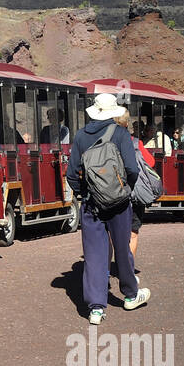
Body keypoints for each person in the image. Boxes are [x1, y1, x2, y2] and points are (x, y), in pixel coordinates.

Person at [66, 93, 150, 325]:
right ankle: (131, 295)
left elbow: (71, 174)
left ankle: (95, 308)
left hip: (92, 204)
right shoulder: (121, 134)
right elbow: (132, 169)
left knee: (94, 255)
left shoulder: (81, 136)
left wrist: (86, 192)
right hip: (119, 204)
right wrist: (123, 191)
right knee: (122, 248)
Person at [115, 111, 155, 262]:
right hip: (133, 193)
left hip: (112, 192)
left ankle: (109, 268)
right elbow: (150, 162)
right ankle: (128, 268)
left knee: (112, 233)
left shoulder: (105, 141)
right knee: (133, 232)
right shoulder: (135, 142)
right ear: (127, 124)